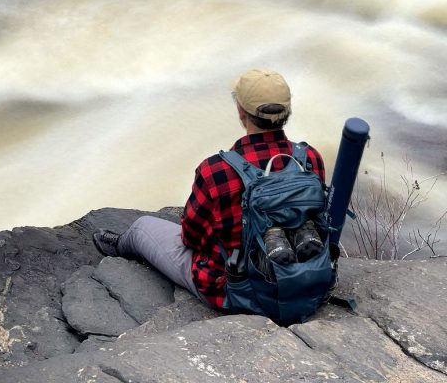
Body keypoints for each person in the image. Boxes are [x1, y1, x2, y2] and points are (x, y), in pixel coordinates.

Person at [92, 68, 326, 310]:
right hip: (306, 281)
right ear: (287, 112)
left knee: (143, 227)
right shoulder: (309, 158)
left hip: (236, 291)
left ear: (240, 111)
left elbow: (190, 237)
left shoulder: (216, 170)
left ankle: (121, 245)